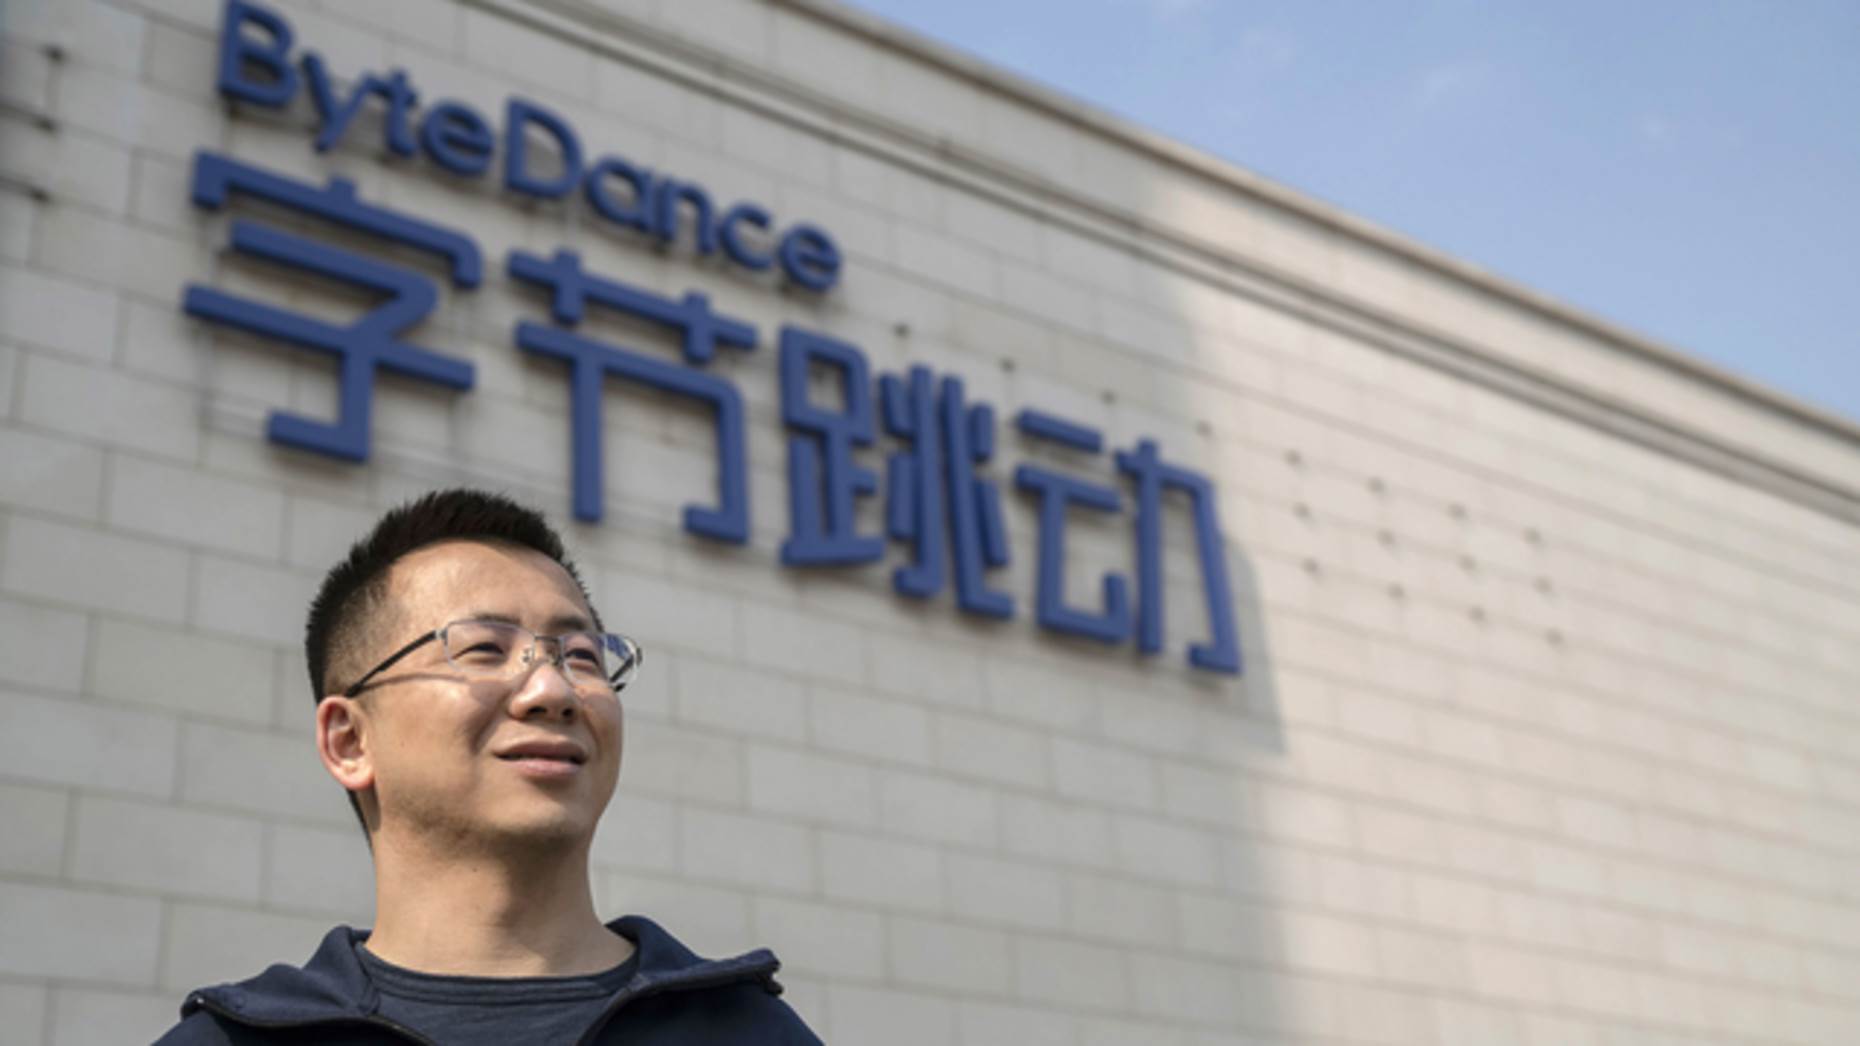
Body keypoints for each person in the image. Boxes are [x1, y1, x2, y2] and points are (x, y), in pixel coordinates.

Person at [156, 488, 822, 1044]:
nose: (553, 690)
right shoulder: (238, 1041)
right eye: (483, 649)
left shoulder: (750, 1033)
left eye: (581, 656)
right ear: (349, 741)